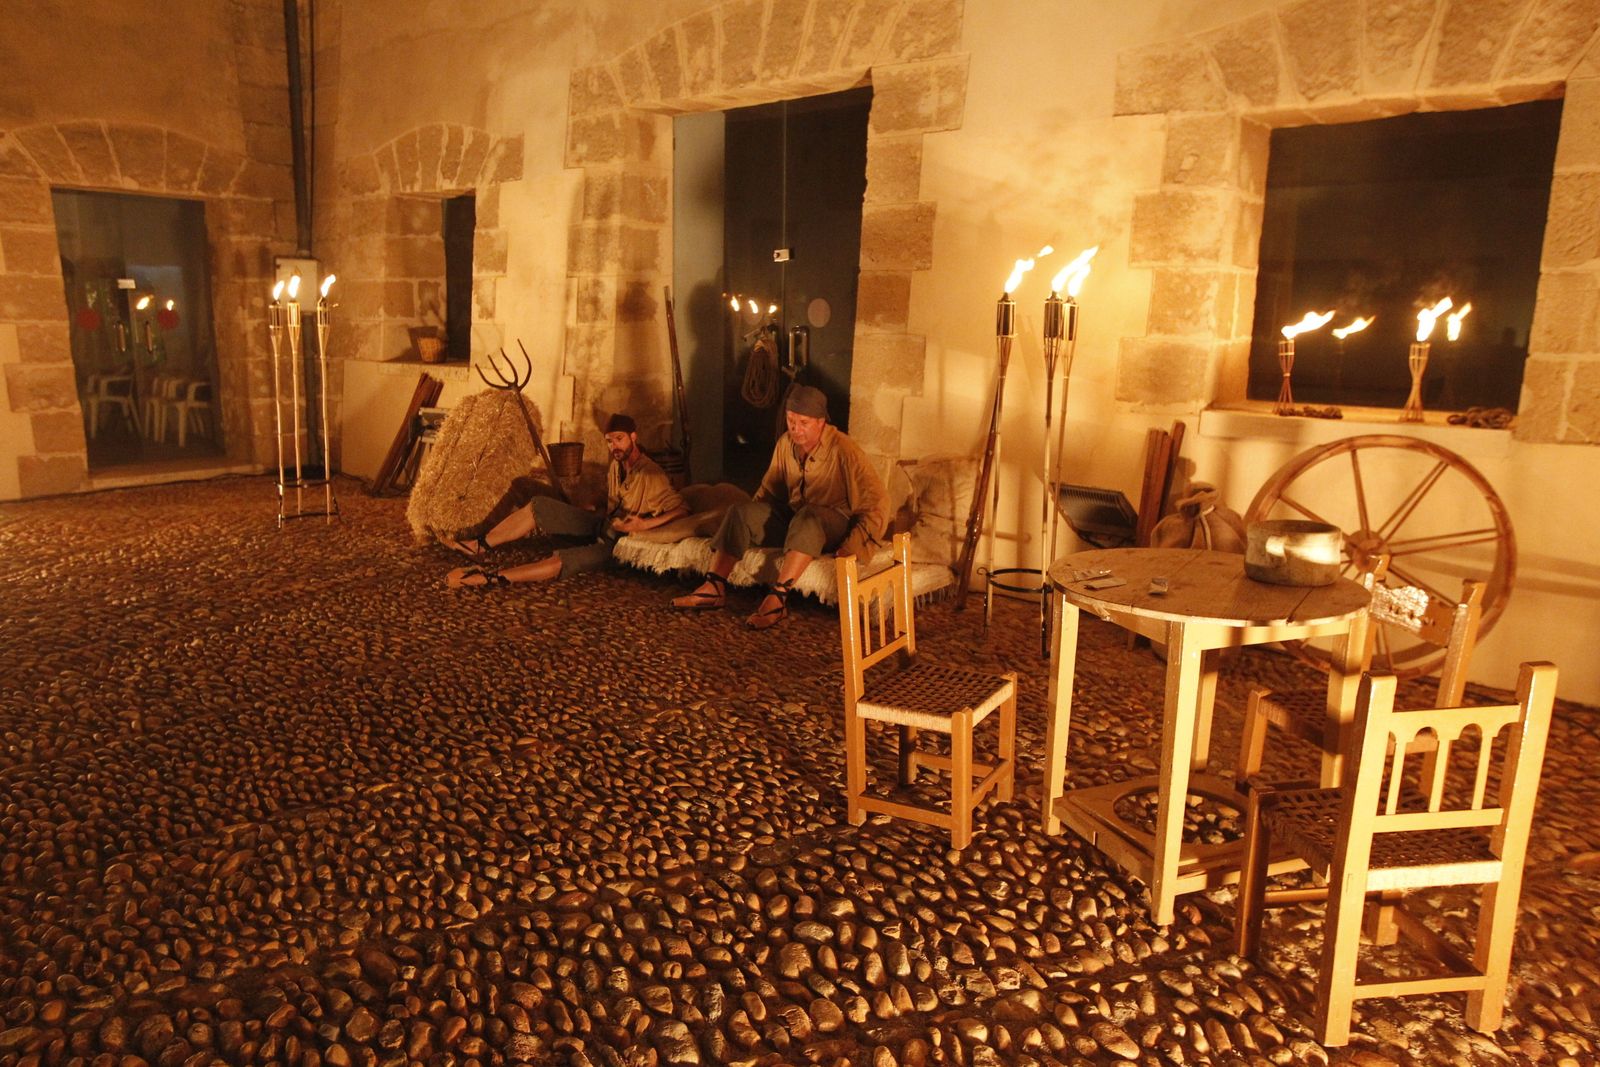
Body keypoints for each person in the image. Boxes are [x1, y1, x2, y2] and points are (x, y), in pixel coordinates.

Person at [671, 385, 889, 629]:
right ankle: (714, 586)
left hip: (832, 523)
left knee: (808, 517)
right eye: (791, 420)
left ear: (821, 422)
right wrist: (749, 523)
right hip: (797, 518)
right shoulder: (786, 444)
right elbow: (769, 490)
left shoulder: (843, 449)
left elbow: (877, 501)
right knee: (739, 511)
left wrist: (853, 546)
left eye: (803, 422)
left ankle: (777, 599)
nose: (795, 429)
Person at [446, 413, 687, 587]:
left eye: (620, 439)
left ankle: (490, 578)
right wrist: (595, 504)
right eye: (610, 440)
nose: (614, 446)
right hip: (599, 524)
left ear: (634, 437)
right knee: (539, 504)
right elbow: (613, 501)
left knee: (561, 560)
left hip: (618, 545)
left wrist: (643, 525)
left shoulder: (651, 473)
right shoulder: (616, 465)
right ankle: (479, 545)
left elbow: (682, 508)